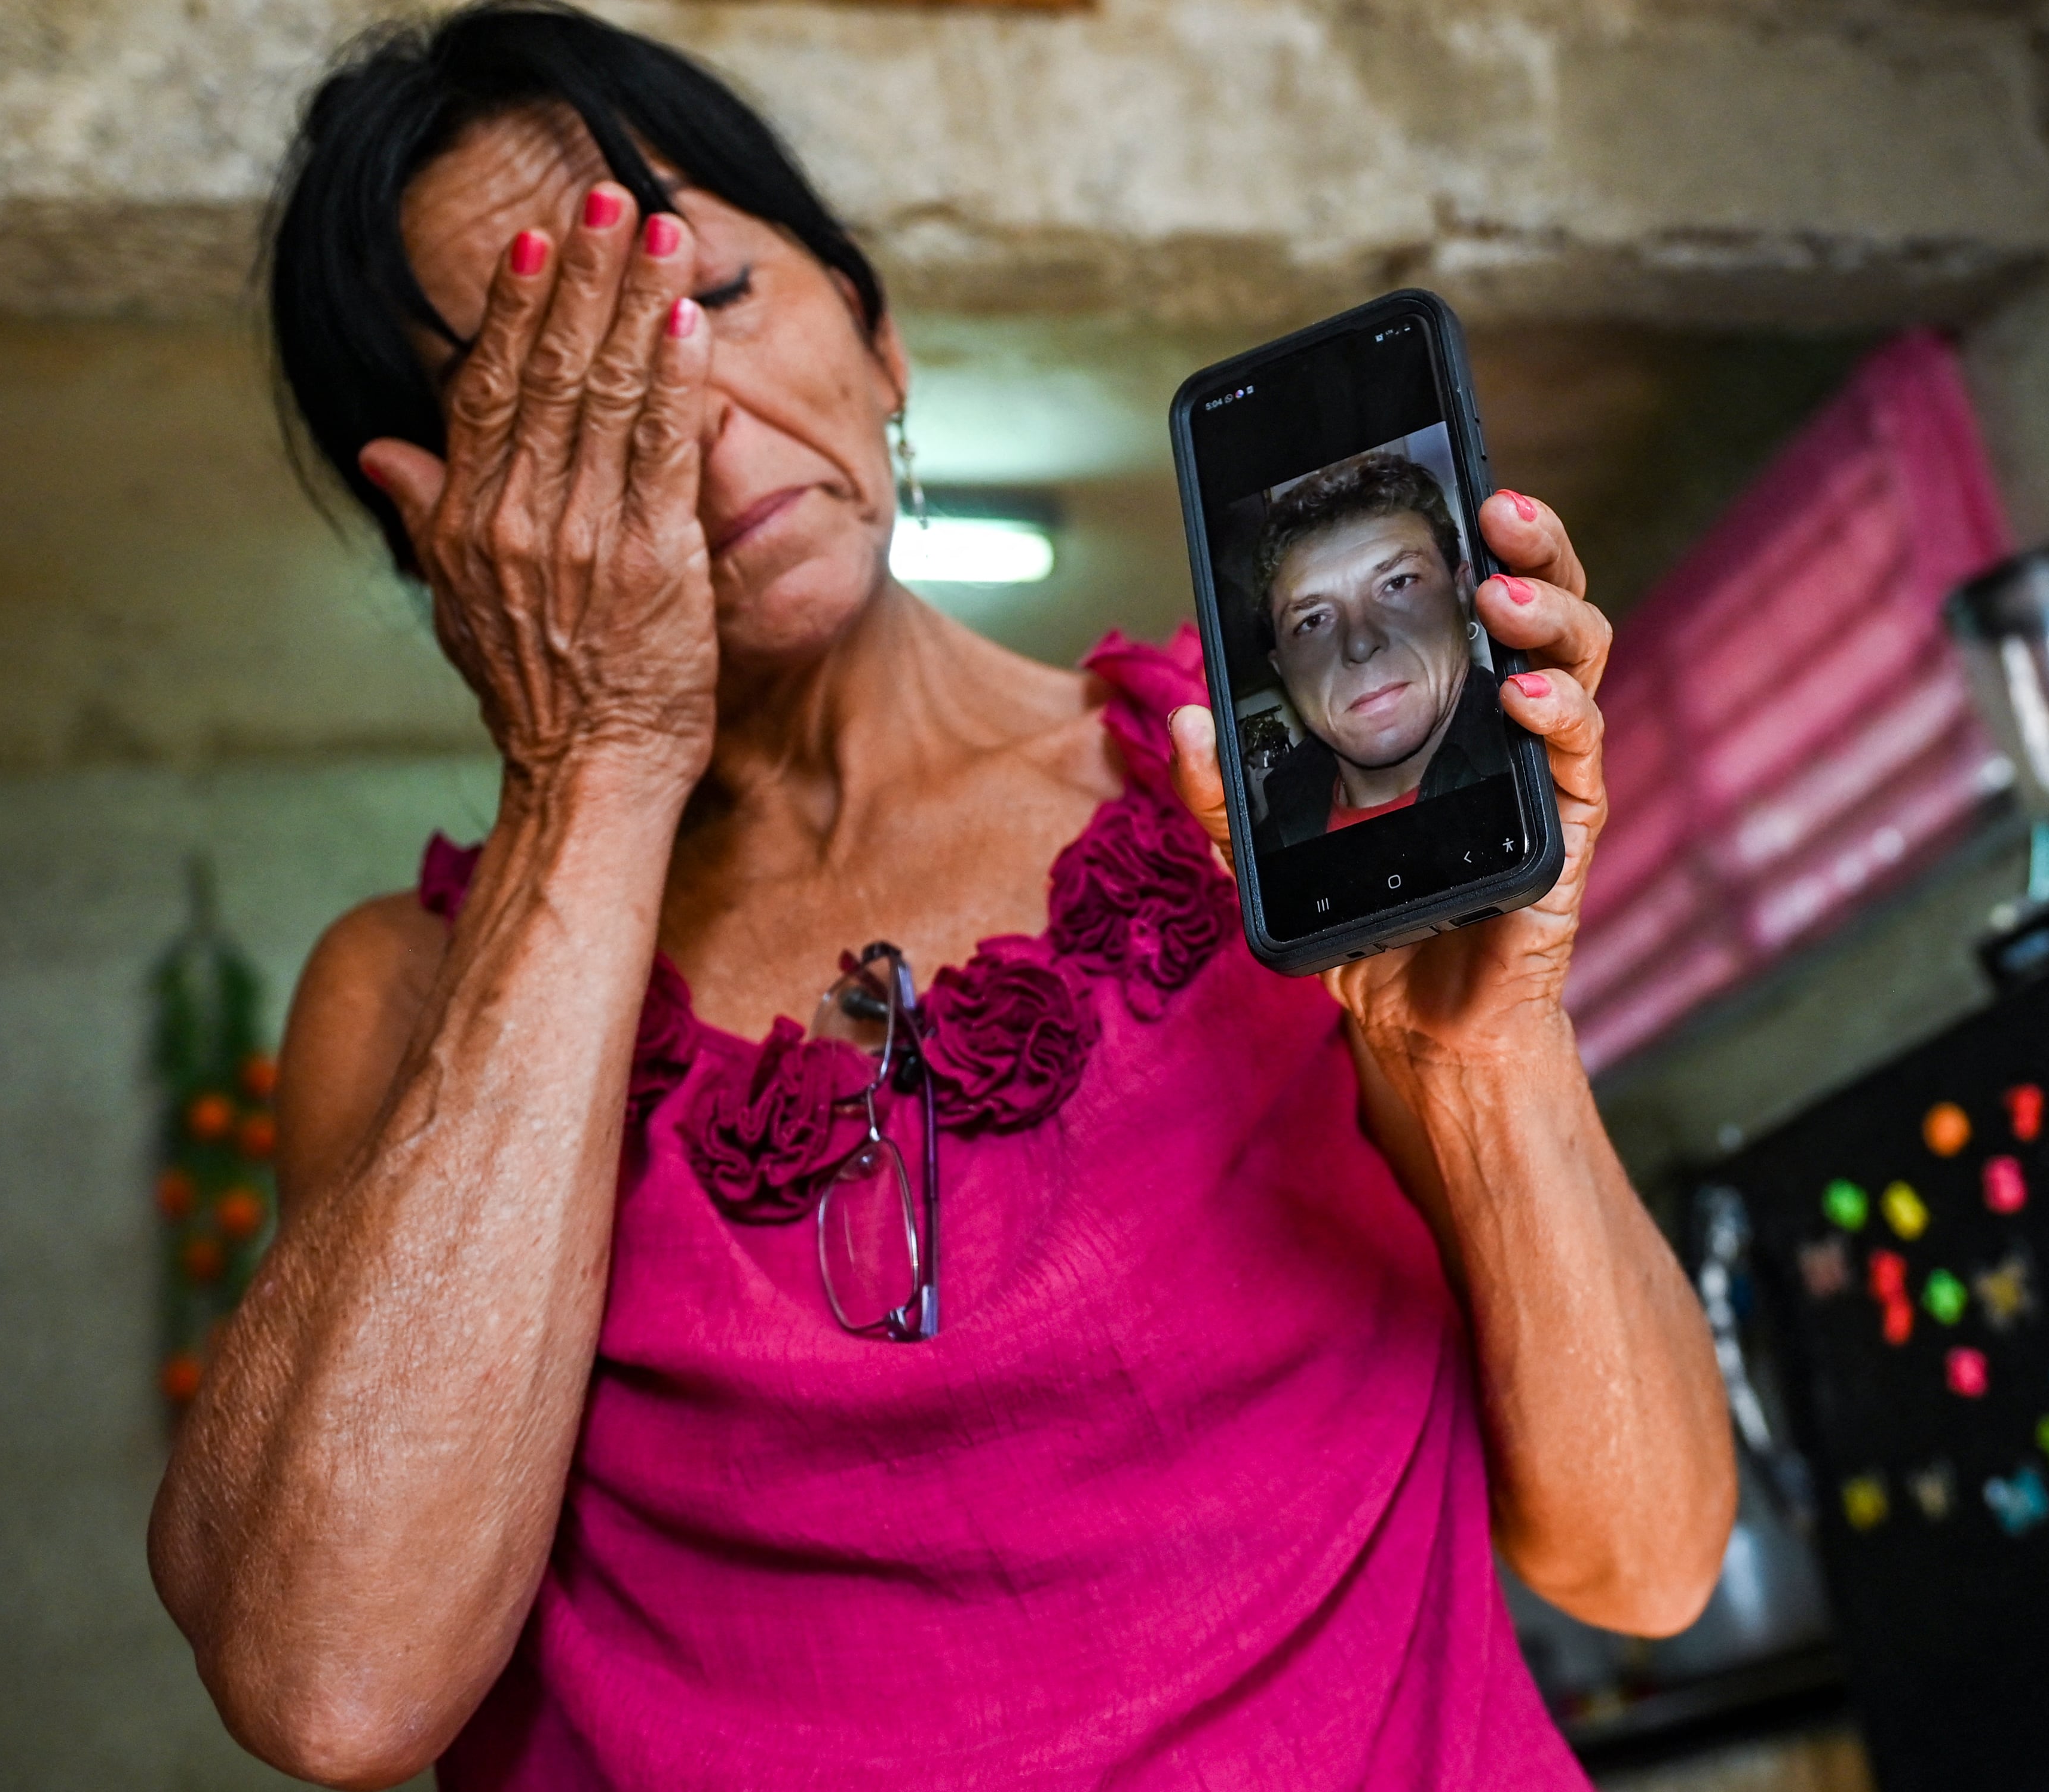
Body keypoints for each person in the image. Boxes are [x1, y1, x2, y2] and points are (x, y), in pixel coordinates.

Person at [146, 6, 1735, 1788]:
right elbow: (333, 1685)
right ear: (442, 535)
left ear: (875, 329)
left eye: (718, 294)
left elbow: (1646, 1559)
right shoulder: (409, 993)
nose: (691, 417)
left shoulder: (1247, 794)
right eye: (559, 399)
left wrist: (1485, 1064)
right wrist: (596, 756)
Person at [1250, 451, 1511, 851]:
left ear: (1461, 592)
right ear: (1281, 668)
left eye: (1398, 583)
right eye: (1313, 620)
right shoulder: (1265, 850)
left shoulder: (1547, 767)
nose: (1359, 643)